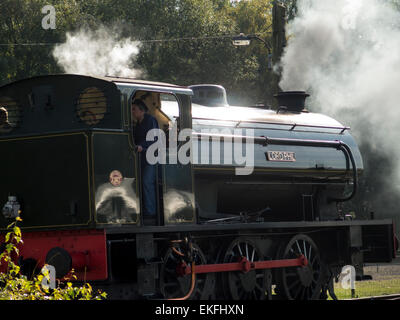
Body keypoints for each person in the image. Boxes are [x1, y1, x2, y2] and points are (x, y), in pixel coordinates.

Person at [131, 98, 159, 225]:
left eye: (134, 109)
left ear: (141, 110)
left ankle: (151, 212)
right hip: (142, 157)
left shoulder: (150, 120)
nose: (132, 111)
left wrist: (143, 147)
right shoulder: (138, 124)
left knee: (147, 182)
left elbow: (154, 139)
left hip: (152, 156)